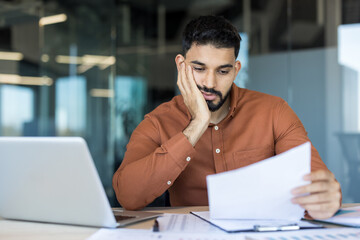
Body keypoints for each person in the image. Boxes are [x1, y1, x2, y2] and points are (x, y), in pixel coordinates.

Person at [113, 15, 341, 219]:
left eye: (223, 71)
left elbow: (318, 183)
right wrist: (197, 124)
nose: (210, 84)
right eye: (199, 68)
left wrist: (327, 198)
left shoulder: (274, 111)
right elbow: (128, 196)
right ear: (181, 65)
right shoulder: (158, 121)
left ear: (236, 69)